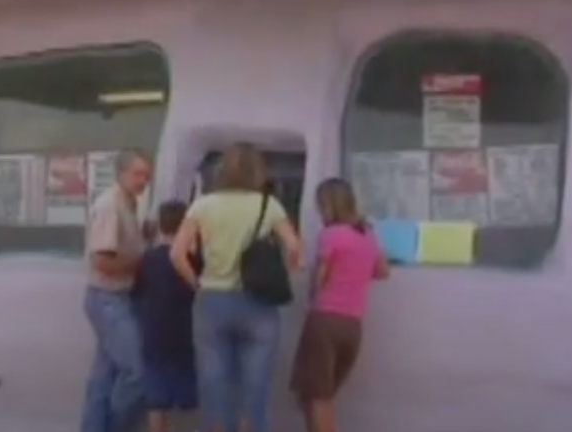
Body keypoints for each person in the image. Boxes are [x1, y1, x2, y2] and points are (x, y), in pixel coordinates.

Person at [171, 142, 303, 432]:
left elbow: (177, 254)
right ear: (258, 171)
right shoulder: (269, 205)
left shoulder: (203, 205)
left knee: (214, 383)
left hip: (212, 300)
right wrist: (287, 271)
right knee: (257, 385)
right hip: (258, 303)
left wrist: (198, 284)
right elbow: (294, 247)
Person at [289, 178, 388, 432]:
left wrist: (311, 297)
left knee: (318, 398)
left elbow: (320, 277)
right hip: (353, 325)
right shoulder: (367, 234)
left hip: (325, 321)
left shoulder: (331, 234)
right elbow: (382, 271)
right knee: (318, 395)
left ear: (327, 205)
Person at [81, 148, 152, 432]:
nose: (143, 181)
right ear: (121, 173)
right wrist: (142, 261)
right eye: (138, 174)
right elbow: (102, 260)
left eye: (147, 176)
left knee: (105, 376)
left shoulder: (130, 204)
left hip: (119, 297)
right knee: (137, 372)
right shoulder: (110, 205)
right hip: (109, 298)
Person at [132, 200, 200, 432]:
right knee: (186, 399)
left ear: (160, 226)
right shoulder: (193, 261)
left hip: (153, 332)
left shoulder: (148, 259)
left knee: (155, 398)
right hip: (184, 333)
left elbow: (137, 292)